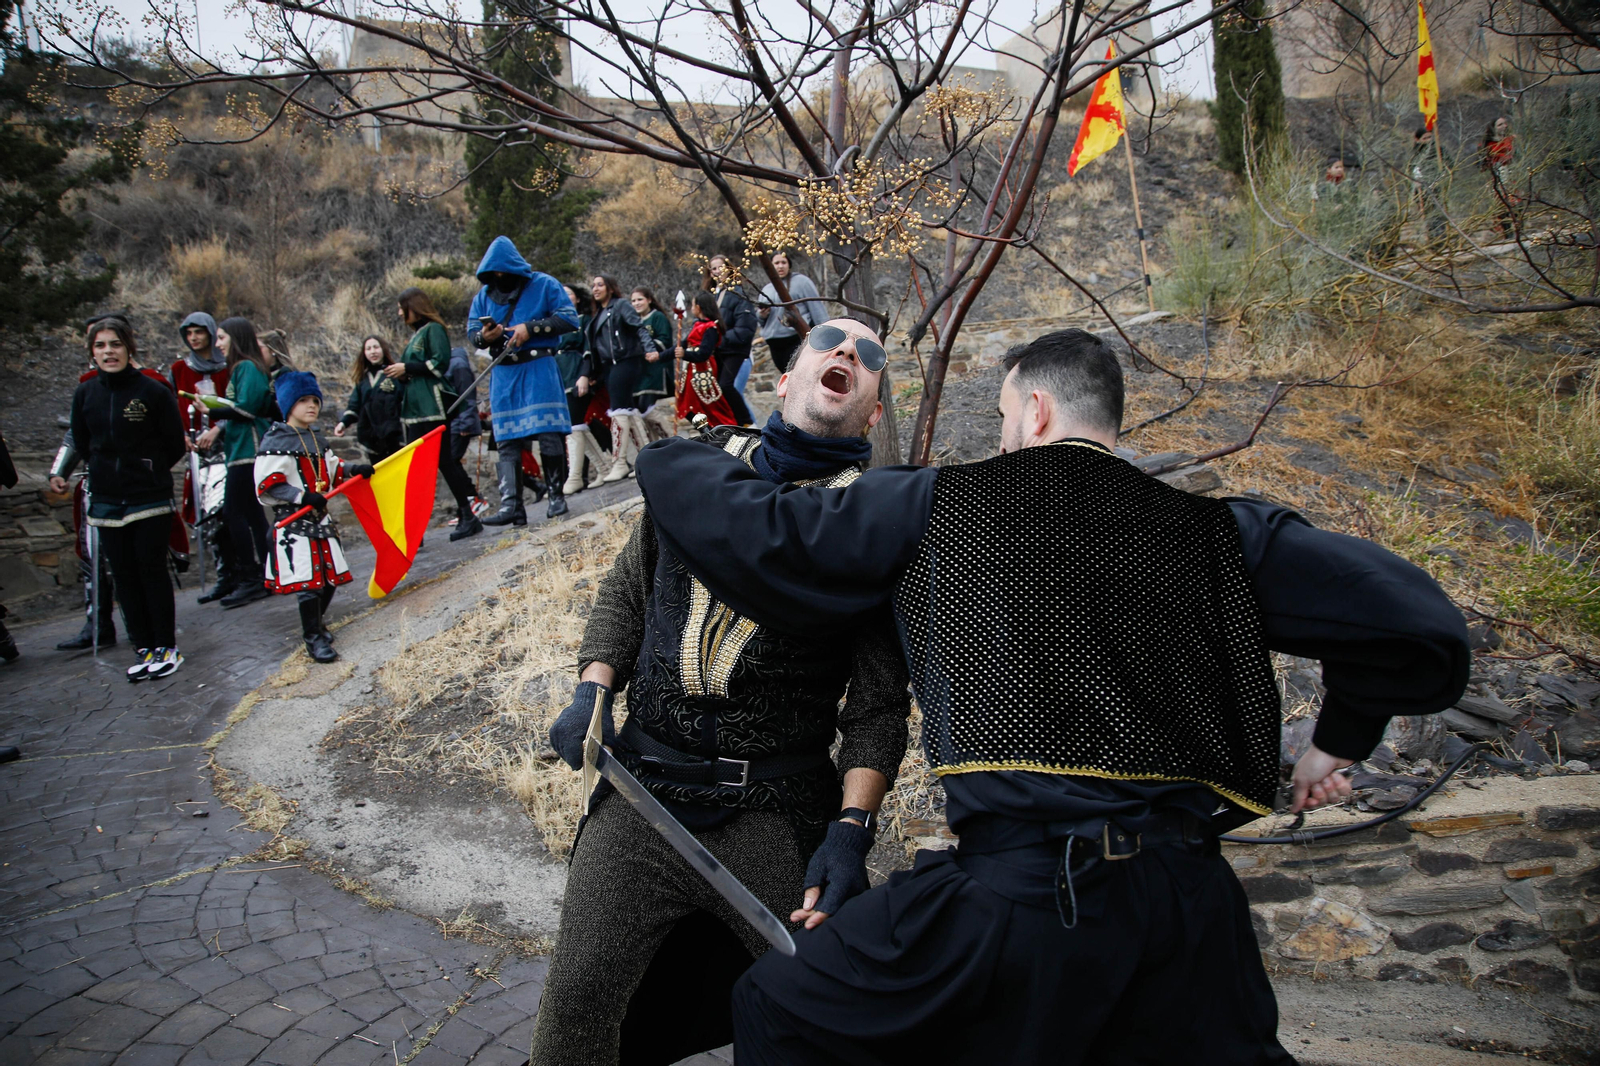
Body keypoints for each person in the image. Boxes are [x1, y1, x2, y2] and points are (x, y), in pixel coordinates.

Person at [633, 327, 1472, 1065]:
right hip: (1188, 912)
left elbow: (769, 537)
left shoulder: (939, 506)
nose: (1001, 438)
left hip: (1026, 899)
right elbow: (1415, 624)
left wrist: (674, 456)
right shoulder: (1222, 533)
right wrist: (1339, 738)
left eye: (1003, 418)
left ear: (1034, 412)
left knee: (779, 1006)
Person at [530, 315, 912, 1066]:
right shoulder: (700, 469)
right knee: (576, 1004)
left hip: (774, 810)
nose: (846, 351)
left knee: (827, 1016)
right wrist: (592, 690)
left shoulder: (871, 522)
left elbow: (876, 704)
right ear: (787, 376)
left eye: (868, 354)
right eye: (827, 341)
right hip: (643, 790)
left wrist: (850, 830)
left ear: (873, 411)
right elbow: (628, 592)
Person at [68, 317, 187, 681]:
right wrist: (104, 472)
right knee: (123, 575)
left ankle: (166, 647)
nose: (109, 352)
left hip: (149, 497)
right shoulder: (85, 394)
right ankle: (143, 648)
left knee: (151, 570)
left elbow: (173, 443)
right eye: (101, 345)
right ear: (92, 352)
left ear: (129, 348)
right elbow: (83, 442)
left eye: (115, 344)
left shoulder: (153, 391)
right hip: (106, 501)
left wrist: (147, 470)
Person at [255, 371, 370, 664]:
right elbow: (269, 484)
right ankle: (313, 639)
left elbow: (332, 467)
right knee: (309, 584)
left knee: (329, 579)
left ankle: (317, 624)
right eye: (303, 400)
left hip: (320, 520)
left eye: (315, 400)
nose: (312, 406)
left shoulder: (316, 439)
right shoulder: (275, 440)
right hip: (294, 522)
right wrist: (302, 497)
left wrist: (354, 469)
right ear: (288, 404)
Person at [467, 237, 579, 524]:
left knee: (549, 433)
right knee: (506, 440)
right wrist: (485, 336)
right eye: (494, 274)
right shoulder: (483, 296)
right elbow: (472, 333)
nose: (499, 278)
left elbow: (569, 319)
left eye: (504, 272)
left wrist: (531, 328)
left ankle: (556, 497)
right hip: (504, 373)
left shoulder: (544, 284)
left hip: (538, 367)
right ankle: (512, 507)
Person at [193, 316, 274, 610]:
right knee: (253, 515)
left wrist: (212, 408)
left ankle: (251, 577)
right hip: (241, 450)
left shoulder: (246, 367)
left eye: (222, 337)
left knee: (233, 512)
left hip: (247, 451)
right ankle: (268, 573)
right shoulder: (243, 368)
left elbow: (248, 408)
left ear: (236, 338)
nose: (217, 344)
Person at [391, 287, 484, 542]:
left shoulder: (434, 329)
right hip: (416, 410)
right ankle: (422, 526)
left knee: (443, 462)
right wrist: (402, 373)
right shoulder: (417, 335)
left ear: (413, 306)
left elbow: (439, 363)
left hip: (431, 408)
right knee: (421, 468)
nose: (399, 313)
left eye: (401, 308)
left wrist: (406, 367)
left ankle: (466, 515)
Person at [168, 312, 234, 603]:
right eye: (189, 333)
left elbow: (240, 406)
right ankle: (224, 575)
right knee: (205, 517)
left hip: (228, 448)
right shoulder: (179, 369)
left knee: (228, 514)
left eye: (199, 332)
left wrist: (219, 429)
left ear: (209, 332)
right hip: (197, 452)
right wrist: (180, 435)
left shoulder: (228, 367)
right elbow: (170, 408)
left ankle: (243, 573)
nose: (194, 338)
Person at [577, 275, 663, 483]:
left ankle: (620, 462)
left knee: (619, 410)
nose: (595, 289)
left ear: (610, 287)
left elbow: (638, 328)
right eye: (593, 286)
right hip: (610, 366)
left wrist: (650, 349)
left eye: (600, 285)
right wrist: (594, 374)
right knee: (627, 409)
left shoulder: (620, 305)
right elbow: (596, 348)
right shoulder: (597, 314)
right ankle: (645, 459)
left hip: (625, 361)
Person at [557, 284, 609, 496]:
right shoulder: (554, 322)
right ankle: (604, 468)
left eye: (568, 293)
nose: (563, 296)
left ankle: (575, 476)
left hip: (576, 371)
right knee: (575, 424)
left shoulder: (584, 320)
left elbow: (589, 350)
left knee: (574, 423)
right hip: (560, 374)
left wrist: (584, 375)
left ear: (577, 298)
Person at [703, 255, 757, 425]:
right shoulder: (711, 297)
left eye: (721, 267)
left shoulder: (738, 293)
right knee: (720, 393)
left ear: (730, 269)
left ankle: (750, 426)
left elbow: (745, 328)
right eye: (713, 268)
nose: (717, 271)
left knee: (729, 388)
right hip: (718, 353)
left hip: (736, 352)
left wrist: (718, 339)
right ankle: (733, 427)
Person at [334, 335, 404, 463]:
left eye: (376, 347)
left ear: (383, 349)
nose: (373, 351)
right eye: (368, 348)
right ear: (364, 353)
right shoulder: (362, 380)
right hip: (370, 436)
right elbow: (354, 405)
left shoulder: (395, 374)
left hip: (394, 436)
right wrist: (343, 423)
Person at [756, 252, 827, 375]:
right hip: (774, 342)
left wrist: (825, 333)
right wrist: (762, 315)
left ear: (789, 265)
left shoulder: (802, 282)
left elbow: (817, 309)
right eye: (776, 263)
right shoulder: (767, 289)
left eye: (784, 262)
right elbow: (761, 322)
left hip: (796, 338)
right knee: (787, 377)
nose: (780, 266)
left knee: (800, 375)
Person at [675, 291, 738, 428]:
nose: (691, 308)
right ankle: (706, 431)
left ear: (698, 307)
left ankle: (716, 430)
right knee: (689, 405)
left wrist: (684, 354)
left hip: (703, 369)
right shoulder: (697, 325)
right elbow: (681, 346)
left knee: (709, 404)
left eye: (693, 305)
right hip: (692, 370)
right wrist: (660, 355)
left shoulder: (710, 328)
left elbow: (703, 353)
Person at [630, 286, 677, 440]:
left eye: (640, 299)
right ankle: (655, 445)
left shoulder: (657, 317)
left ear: (649, 300)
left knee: (646, 406)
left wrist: (644, 347)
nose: (636, 303)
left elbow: (665, 341)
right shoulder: (633, 321)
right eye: (633, 301)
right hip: (640, 370)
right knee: (640, 410)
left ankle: (672, 441)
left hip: (656, 368)